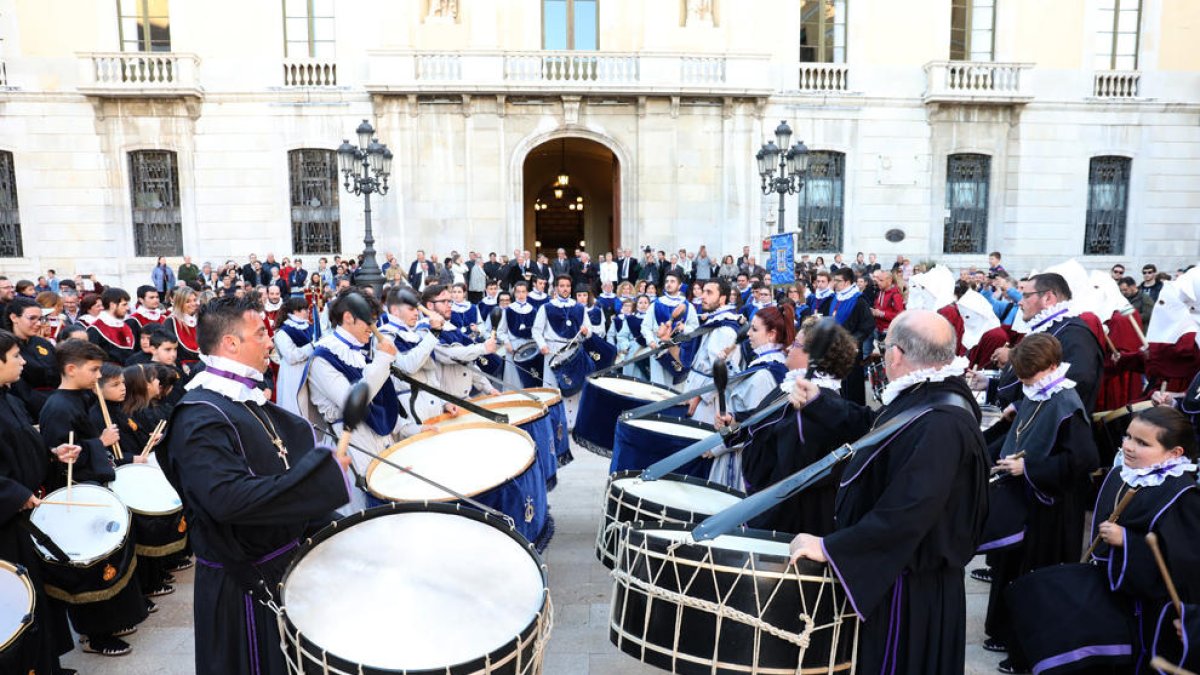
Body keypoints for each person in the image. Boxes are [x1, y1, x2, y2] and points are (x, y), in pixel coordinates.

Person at [787, 310, 989, 675]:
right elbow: (877, 428)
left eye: (884, 348)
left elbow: (908, 511)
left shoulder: (942, 422)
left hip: (909, 594)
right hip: (904, 580)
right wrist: (822, 401)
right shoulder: (930, 393)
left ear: (896, 354)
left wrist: (832, 548)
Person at [160, 295, 351, 675]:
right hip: (242, 586)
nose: (270, 340)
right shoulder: (201, 415)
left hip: (281, 565)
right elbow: (227, 500)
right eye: (261, 332)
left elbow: (277, 470)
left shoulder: (243, 401)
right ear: (231, 343)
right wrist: (320, 475)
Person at [980, 333, 1099, 673]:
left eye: (1027, 375)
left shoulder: (1066, 402)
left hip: (1051, 507)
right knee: (1009, 567)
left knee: (1032, 574)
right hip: (1026, 498)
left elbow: (1082, 460)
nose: (1022, 381)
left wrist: (1027, 467)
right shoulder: (1037, 390)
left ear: (1049, 367)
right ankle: (1003, 630)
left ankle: (1026, 649)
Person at [40, 339, 149, 656]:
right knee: (88, 567)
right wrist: (99, 443)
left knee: (107, 560)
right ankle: (94, 635)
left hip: (94, 485)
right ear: (71, 369)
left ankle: (108, 624)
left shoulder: (80, 398)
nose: (98, 375)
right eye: (94, 369)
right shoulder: (58, 407)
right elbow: (60, 458)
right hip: (77, 494)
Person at [1080, 407, 1200, 673]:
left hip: (1151, 607)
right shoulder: (1122, 472)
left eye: (1143, 443)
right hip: (1116, 592)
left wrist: (1128, 541)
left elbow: (1184, 567)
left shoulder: (1181, 494)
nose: (1129, 447)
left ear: (1175, 453)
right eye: (1128, 437)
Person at [733, 317, 860, 534]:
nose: (789, 347)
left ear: (814, 357)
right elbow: (768, 418)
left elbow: (794, 459)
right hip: (773, 499)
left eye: (797, 345)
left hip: (792, 514)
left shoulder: (820, 405)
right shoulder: (793, 388)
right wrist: (737, 424)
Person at [0, 330, 78, 674]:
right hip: (5, 523)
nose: (24, 361)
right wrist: (15, 494)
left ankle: (46, 665)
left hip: (22, 513)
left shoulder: (9, 398)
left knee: (37, 595)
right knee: (17, 602)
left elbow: (19, 447)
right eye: (16, 355)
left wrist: (51, 455)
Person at [303, 290, 399, 510]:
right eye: (369, 320)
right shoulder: (323, 357)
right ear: (348, 317)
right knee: (360, 514)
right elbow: (352, 400)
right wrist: (383, 359)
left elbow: (379, 400)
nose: (373, 327)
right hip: (351, 446)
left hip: (376, 440)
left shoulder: (358, 353)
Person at [707, 304, 793, 489]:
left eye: (754, 329)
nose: (748, 334)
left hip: (740, 458)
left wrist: (715, 447)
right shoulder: (775, 363)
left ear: (771, 334)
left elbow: (756, 427)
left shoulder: (764, 375)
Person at [423, 284, 499, 401]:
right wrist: (482, 348)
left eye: (450, 301)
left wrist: (488, 388)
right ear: (429, 305)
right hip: (444, 403)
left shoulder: (451, 327)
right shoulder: (425, 329)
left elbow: (469, 363)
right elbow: (449, 355)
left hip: (464, 399)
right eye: (444, 301)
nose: (450, 305)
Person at [641, 270, 699, 388]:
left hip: (679, 351)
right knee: (658, 386)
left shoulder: (688, 306)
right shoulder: (655, 304)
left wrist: (684, 328)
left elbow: (695, 328)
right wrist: (651, 341)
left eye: (672, 281)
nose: (669, 284)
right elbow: (645, 326)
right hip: (659, 349)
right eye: (667, 281)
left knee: (677, 387)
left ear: (680, 285)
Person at [7, 297, 59, 418]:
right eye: (32, 318)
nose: (39, 323)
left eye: (40, 318)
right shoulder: (7, 347)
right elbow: (19, 390)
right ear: (14, 318)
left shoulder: (42, 343)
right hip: (28, 410)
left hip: (54, 403)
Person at [273, 297, 315, 417]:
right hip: (292, 375)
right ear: (295, 311)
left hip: (309, 373)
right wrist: (311, 346)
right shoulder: (282, 332)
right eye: (304, 309)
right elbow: (291, 357)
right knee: (295, 408)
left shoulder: (308, 327)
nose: (308, 312)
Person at [86, 287, 136, 364]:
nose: (127, 308)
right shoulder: (95, 329)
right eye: (124, 304)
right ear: (112, 305)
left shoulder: (125, 326)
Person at [166, 286, 202, 369]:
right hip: (183, 367)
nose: (193, 304)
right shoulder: (171, 321)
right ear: (180, 303)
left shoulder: (200, 319)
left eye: (194, 300)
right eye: (188, 301)